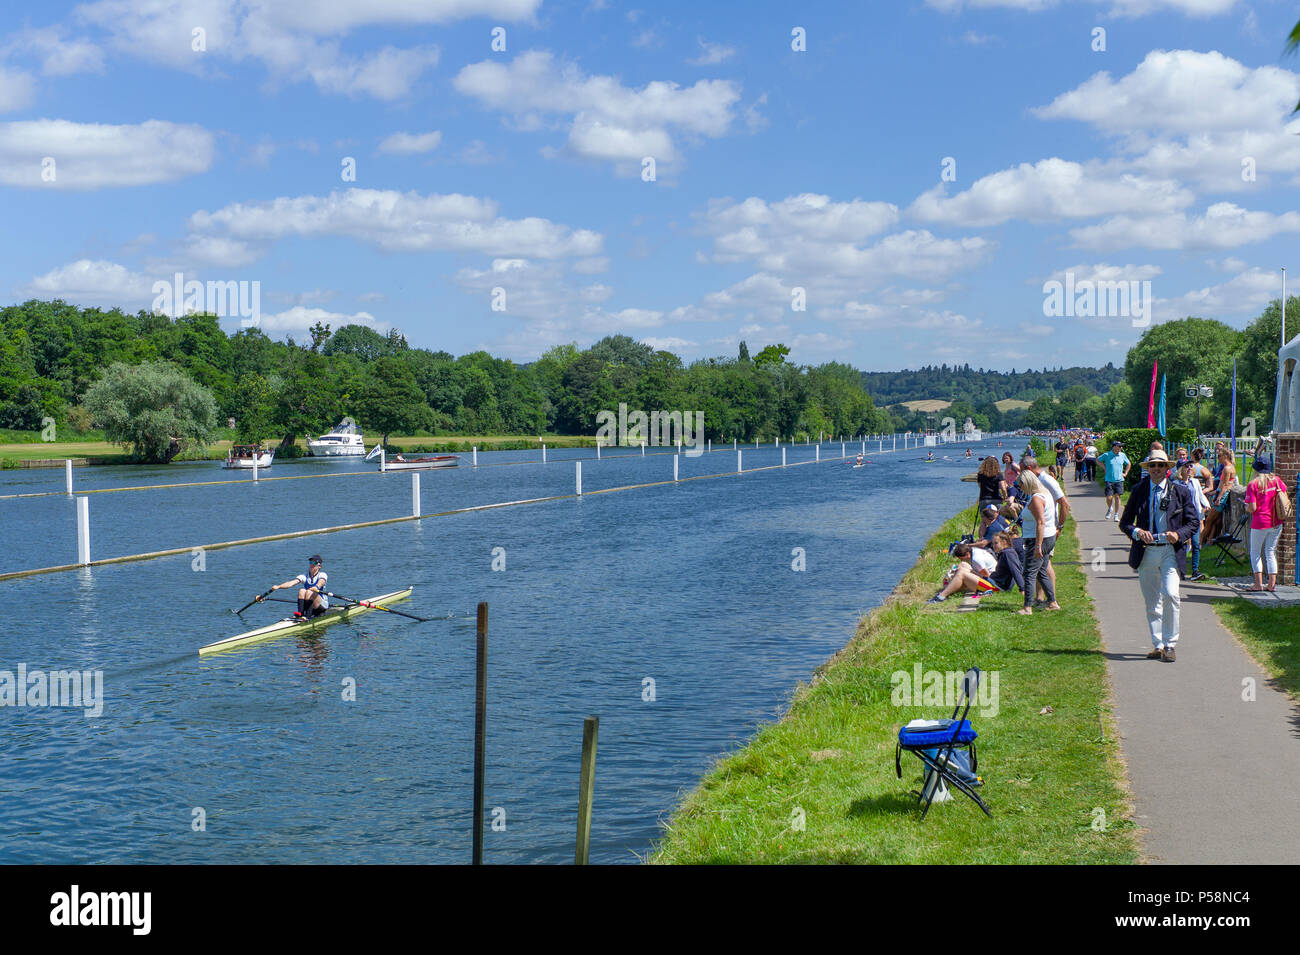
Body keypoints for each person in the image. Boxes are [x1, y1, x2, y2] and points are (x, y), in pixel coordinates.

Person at [1119, 451, 1198, 662]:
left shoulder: (1180, 491)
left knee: (1171, 594)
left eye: (1160, 465)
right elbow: (1125, 522)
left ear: (1167, 468)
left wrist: (1178, 535)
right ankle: (1158, 645)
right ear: (1148, 468)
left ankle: (1170, 645)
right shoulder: (1139, 490)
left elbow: (1193, 522)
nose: (1156, 469)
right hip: (1146, 551)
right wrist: (1137, 532)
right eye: (1152, 465)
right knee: (1152, 601)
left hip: (1169, 551)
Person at [1015, 471, 1059, 614]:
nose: (1019, 487)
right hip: (1047, 537)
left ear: (1027, 483)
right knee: (1041, 571)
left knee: (1029, 573)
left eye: (1020, 484)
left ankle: (1027, 607)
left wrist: (1038, 546)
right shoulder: (1044, 493)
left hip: (1038, 539)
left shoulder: (1036, 498)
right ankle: (1052, 602)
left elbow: (1041, 522)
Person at [1244, 459, 1288, 592]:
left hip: (1260, 522)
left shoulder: (1253, 484)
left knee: (1255, 552)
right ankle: (1271, 585)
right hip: (1276, 522)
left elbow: (1252, 508)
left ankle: (1258, 584)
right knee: (1270, 552)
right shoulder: (1277, 480)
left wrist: (1246, 506)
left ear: (1256, 469)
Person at [260, 554, 330, 620]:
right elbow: (291, 583)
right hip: (310, 604)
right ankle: (301, 614)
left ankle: (308, 616)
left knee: (309, 592)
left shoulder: (322, 575)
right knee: (301, 590)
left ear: (319, 566)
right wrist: (279, 586)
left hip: (321, 606)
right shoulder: (304, 576)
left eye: (314, 563)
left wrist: (317, 587)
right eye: (311, 562)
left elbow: (321, 582)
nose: (312, 564)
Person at [928, 542, 998, 603]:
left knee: (962, 573)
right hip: (991, 579)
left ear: (967, 554)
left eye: (961, 558)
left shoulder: (976, 559)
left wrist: (969, 573)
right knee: (962, 565)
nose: (961, 559)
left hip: (992, 587)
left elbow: (987, 575)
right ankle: (949, 588)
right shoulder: (974, 551)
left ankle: (941, 597)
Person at [1173, 460, 1209, 581]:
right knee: (1181, 544)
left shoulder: (1195, 482)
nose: (1189, 468)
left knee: (1195, 543)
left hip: (1195, 516)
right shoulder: (1175, 484)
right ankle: (1181, 570)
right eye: (1186, 466)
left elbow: (1200, 495)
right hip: (1181, 518)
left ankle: (1195, 571)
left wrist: (1205, 504)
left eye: (1190, 466)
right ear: (1180, 469)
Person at [1200, 447, 1237, 546]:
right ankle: (1210, 541)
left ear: (1225, 456)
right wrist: (1214, 492)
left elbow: (1225, 485)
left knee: (1209, 520)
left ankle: (1199, 543)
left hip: (1222, 495)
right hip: (1221, 493)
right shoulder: (1230, 467)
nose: (1218, 458)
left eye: (1219, 456)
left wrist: (1218, 498)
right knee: (1215, 520)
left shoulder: (1227, 468)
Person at [1097, 440, 1131, 522]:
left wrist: (1125, 473)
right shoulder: (1107, 455)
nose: (1121, 448)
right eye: (1119, 446)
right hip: (1109, 479)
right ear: (1114, 446)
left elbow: (1128, 464)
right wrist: (1104, 468)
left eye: (1121, 446)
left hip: (1119, 480)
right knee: (1109, 497)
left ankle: (1116, 515)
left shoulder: (1122, 455)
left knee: (1117, 497)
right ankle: (1110, 508)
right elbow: (1098, 460)